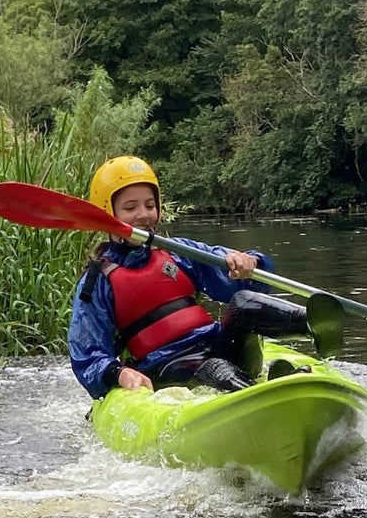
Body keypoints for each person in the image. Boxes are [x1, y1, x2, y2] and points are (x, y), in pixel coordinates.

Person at [68, 155, 336, 400]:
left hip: (217, 344)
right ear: (107, 214)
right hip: (165, 366)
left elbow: (236, 281)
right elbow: (87, 354)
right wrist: (118, 373)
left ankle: (315, 324)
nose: (144, 215)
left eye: (150, 205)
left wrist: (249, 262)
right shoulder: (98, 280)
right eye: (130, 208)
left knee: (243, 302)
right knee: (214, 367)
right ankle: (266, 396)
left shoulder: (177, 252)